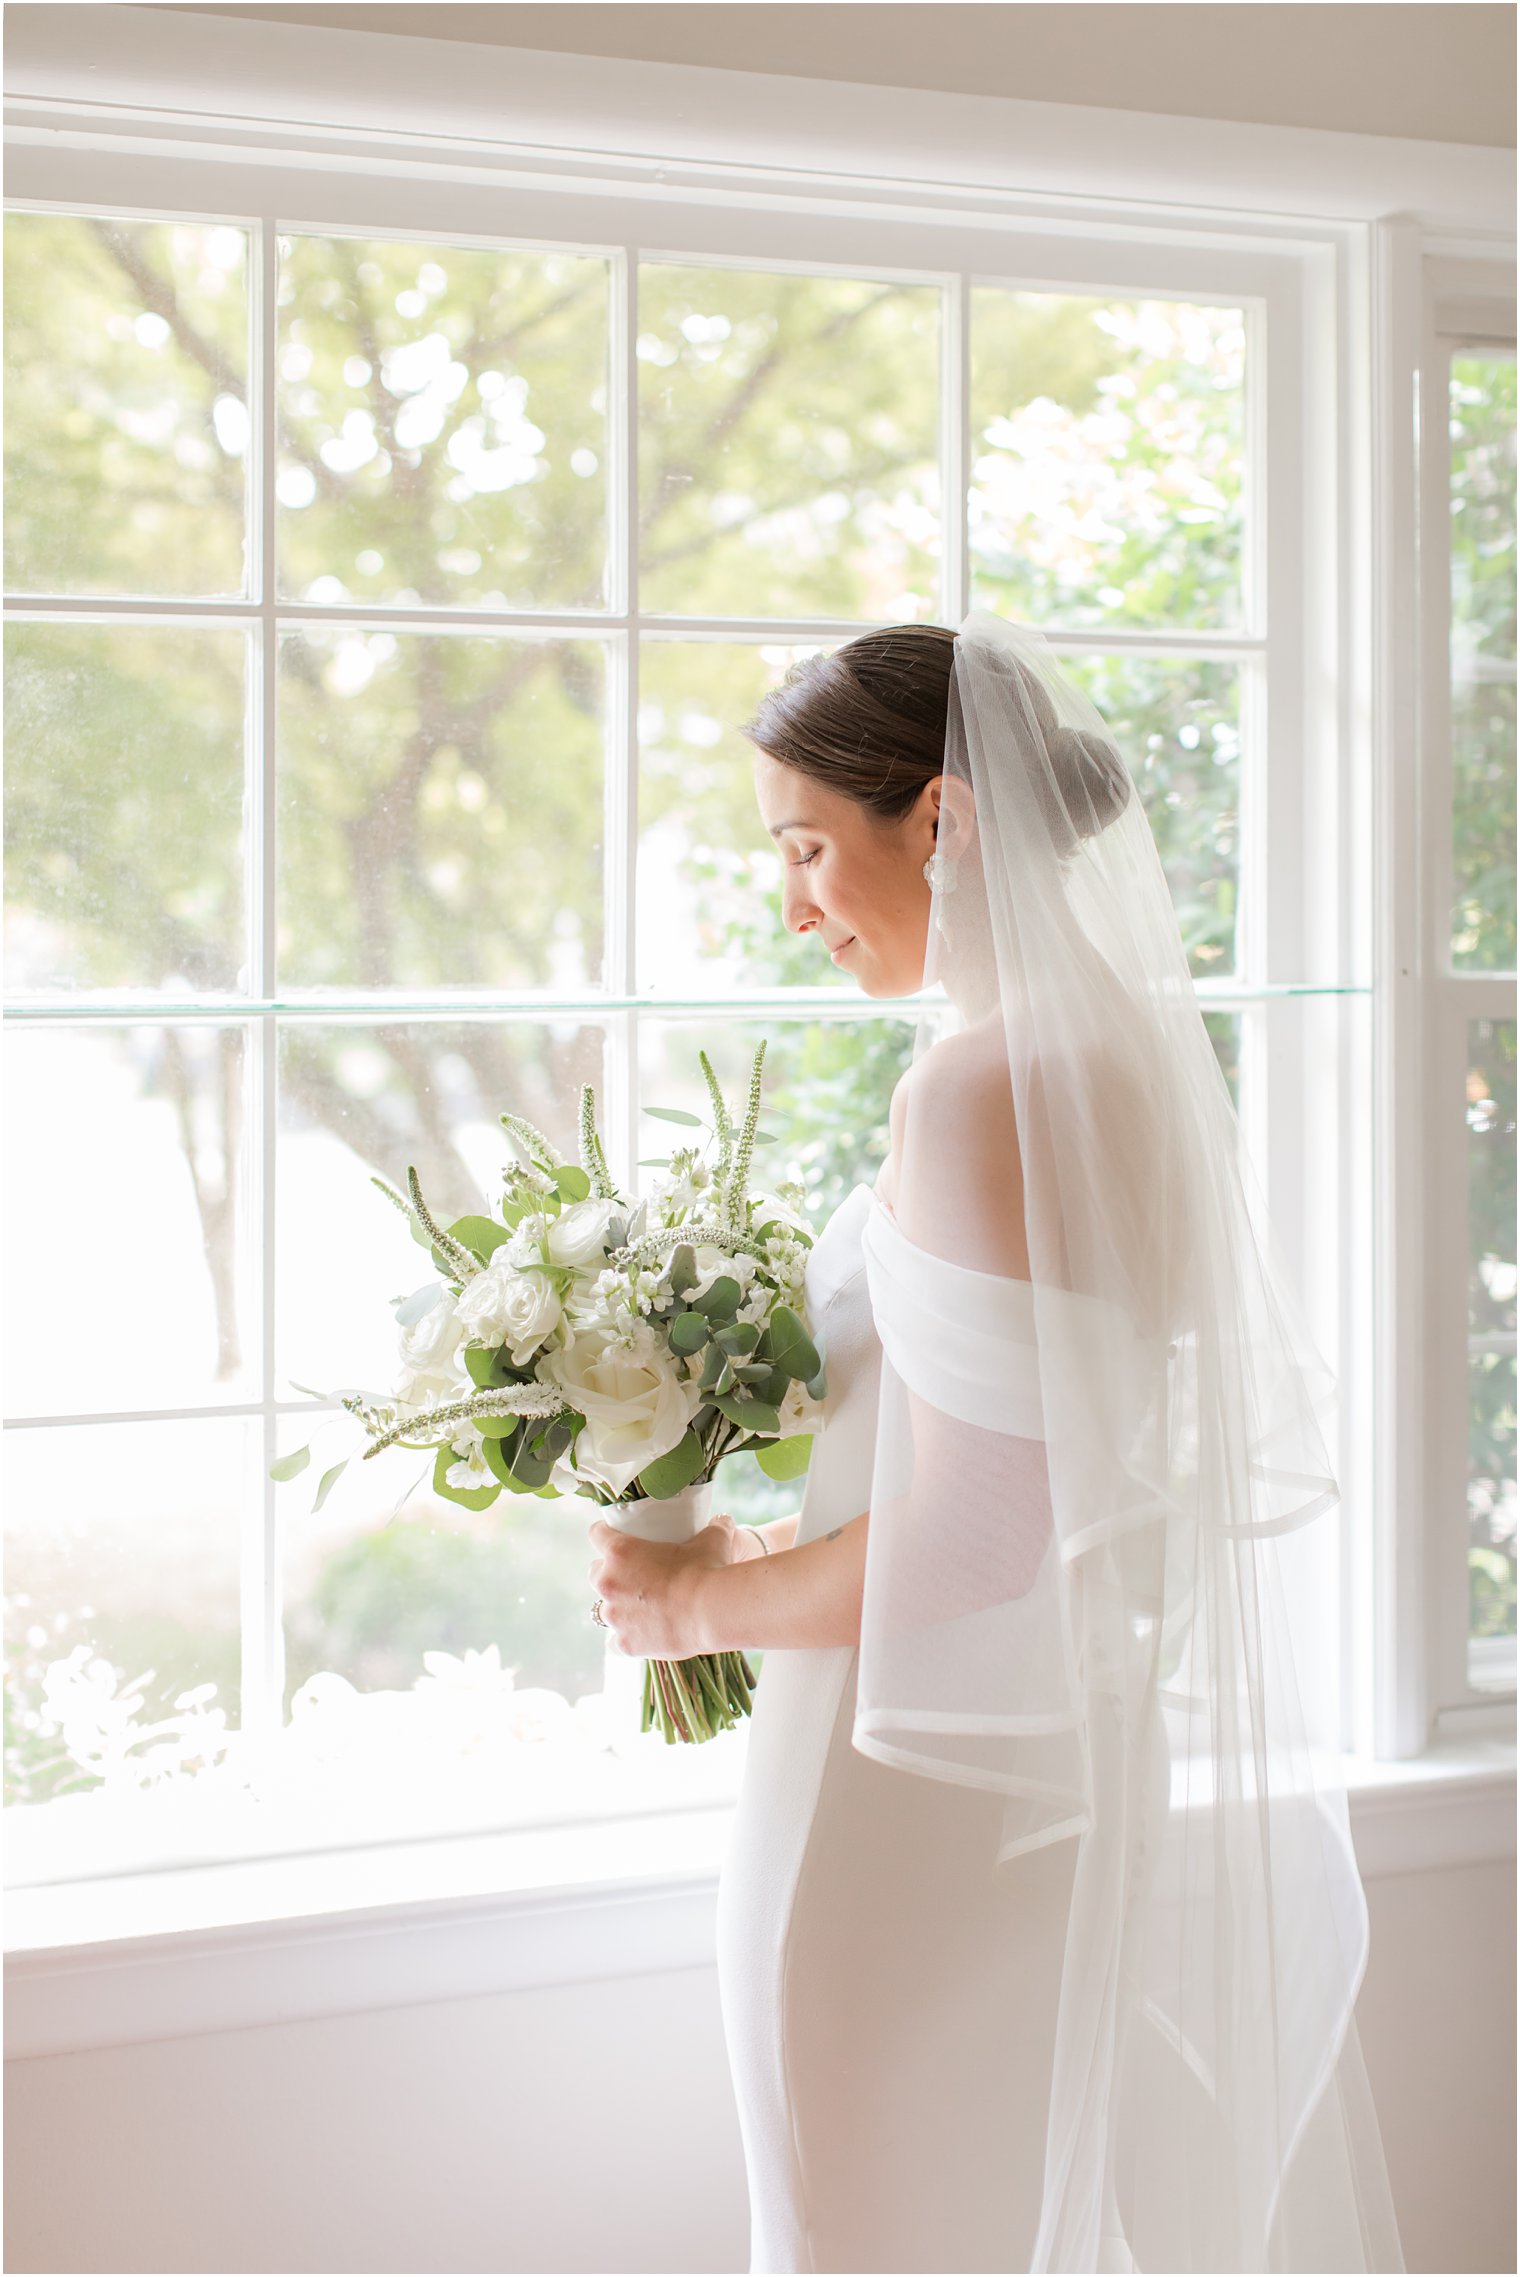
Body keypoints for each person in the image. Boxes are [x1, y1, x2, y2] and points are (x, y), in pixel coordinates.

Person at [588, 613, 1405, 2275]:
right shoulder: (1128, 1055)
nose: (793, 899)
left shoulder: (978, 1088)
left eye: (812, 844)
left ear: (943, 819)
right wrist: (761, 1547)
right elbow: (1029, 1470)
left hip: (905, 1782)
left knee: (857, 2224)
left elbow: (973, 1538)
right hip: (1045, 1758)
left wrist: (688, 1609)